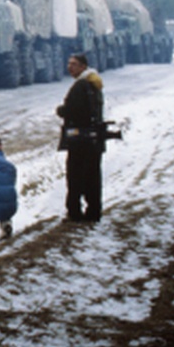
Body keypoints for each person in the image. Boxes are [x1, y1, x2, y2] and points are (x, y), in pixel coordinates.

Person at [57, 53, 105, 222]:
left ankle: (74, 213)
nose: (70, 67)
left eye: (74, 64)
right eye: (69, 63)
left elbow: (73, 111)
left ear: (83, 67)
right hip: (94, 140)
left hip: (80, 141)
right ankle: (94, 211)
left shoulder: (80, 86)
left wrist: (61, 110)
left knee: (75, 177)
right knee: (92, 177)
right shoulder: (95, 84)